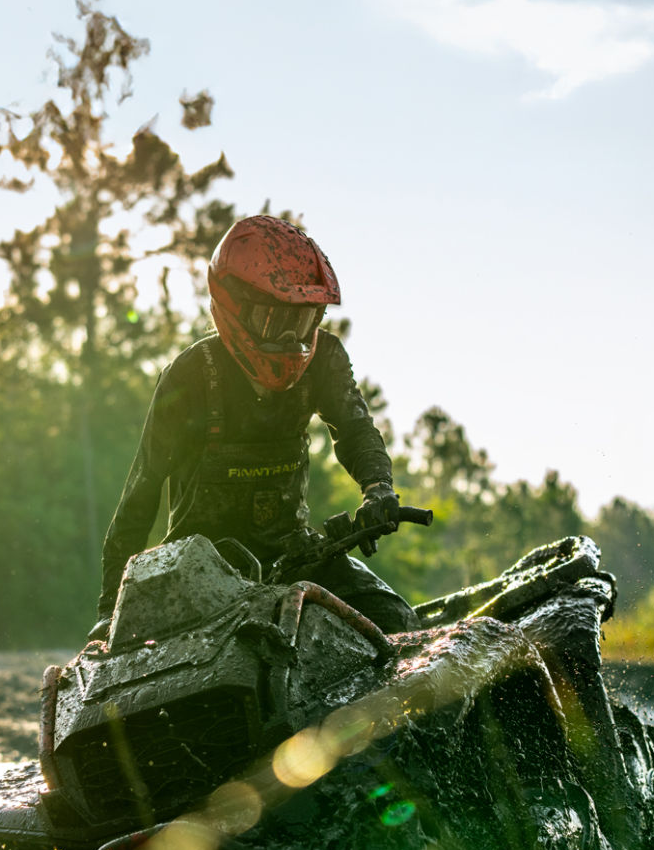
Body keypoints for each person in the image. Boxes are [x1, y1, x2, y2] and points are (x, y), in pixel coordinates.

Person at [92, 214, 417, 639]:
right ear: (233, 307)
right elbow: (141, 493)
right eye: (273, 322)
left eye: (301, 322)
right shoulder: (188, 377)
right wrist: (109, 611)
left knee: (396, 622)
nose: (289, 341)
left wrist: (378, 488)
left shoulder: (325, 359)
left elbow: (356, 429)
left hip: (297, 552)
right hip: (197, 568)